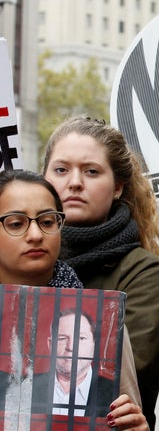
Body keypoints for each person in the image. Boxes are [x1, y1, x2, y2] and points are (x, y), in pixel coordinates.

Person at [42, 117, 159, 429]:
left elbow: (103, 378)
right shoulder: (20, 261)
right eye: (61, 170)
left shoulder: (147, 275)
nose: (74, 182)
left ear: (118, 187)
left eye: (91, 171)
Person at [0, 169, 147, 430]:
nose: (35, 235)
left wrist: (133, 425)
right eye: (16, 223)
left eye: (47, 221)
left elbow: (126, 410)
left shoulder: (103, 318)